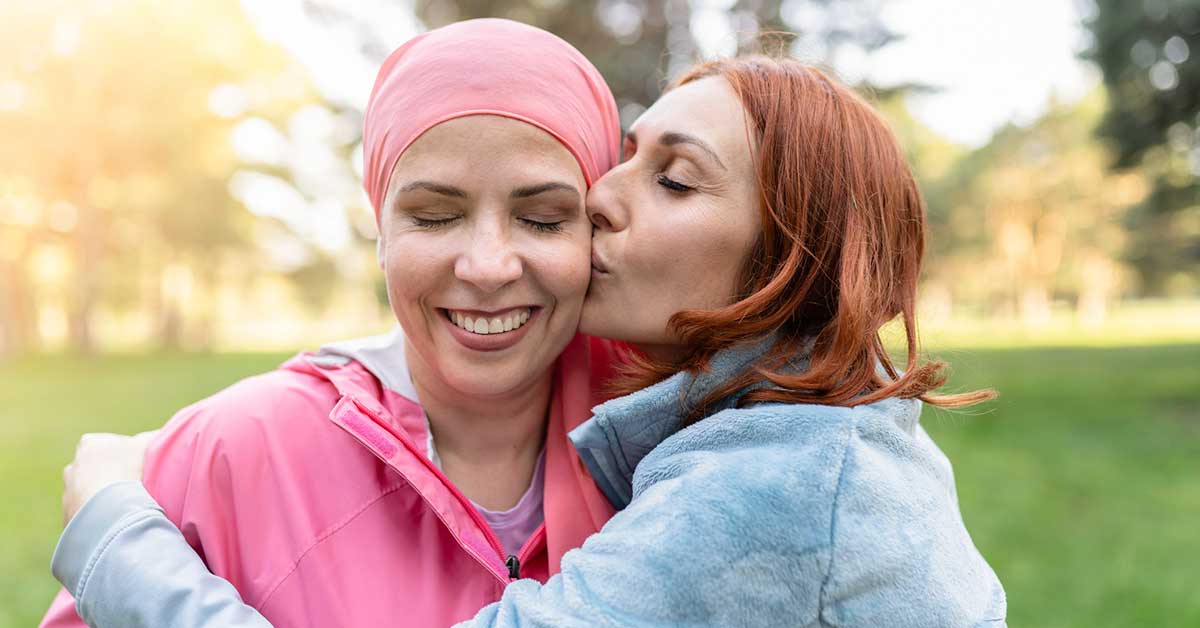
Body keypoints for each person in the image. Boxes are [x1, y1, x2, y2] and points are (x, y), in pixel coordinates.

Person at [48, 49, 1009, 628]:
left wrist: (116, 543)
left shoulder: (779, 476)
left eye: (673, 181)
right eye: (627, 156)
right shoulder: (781, 424)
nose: (602, 200)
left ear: (789, 257)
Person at [40, 18, 624, 628]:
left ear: (598, 230)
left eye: (544, 219)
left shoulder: (672, 451)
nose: (486, 266)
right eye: (433, 216)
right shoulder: (223, 453)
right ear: (381, 229)